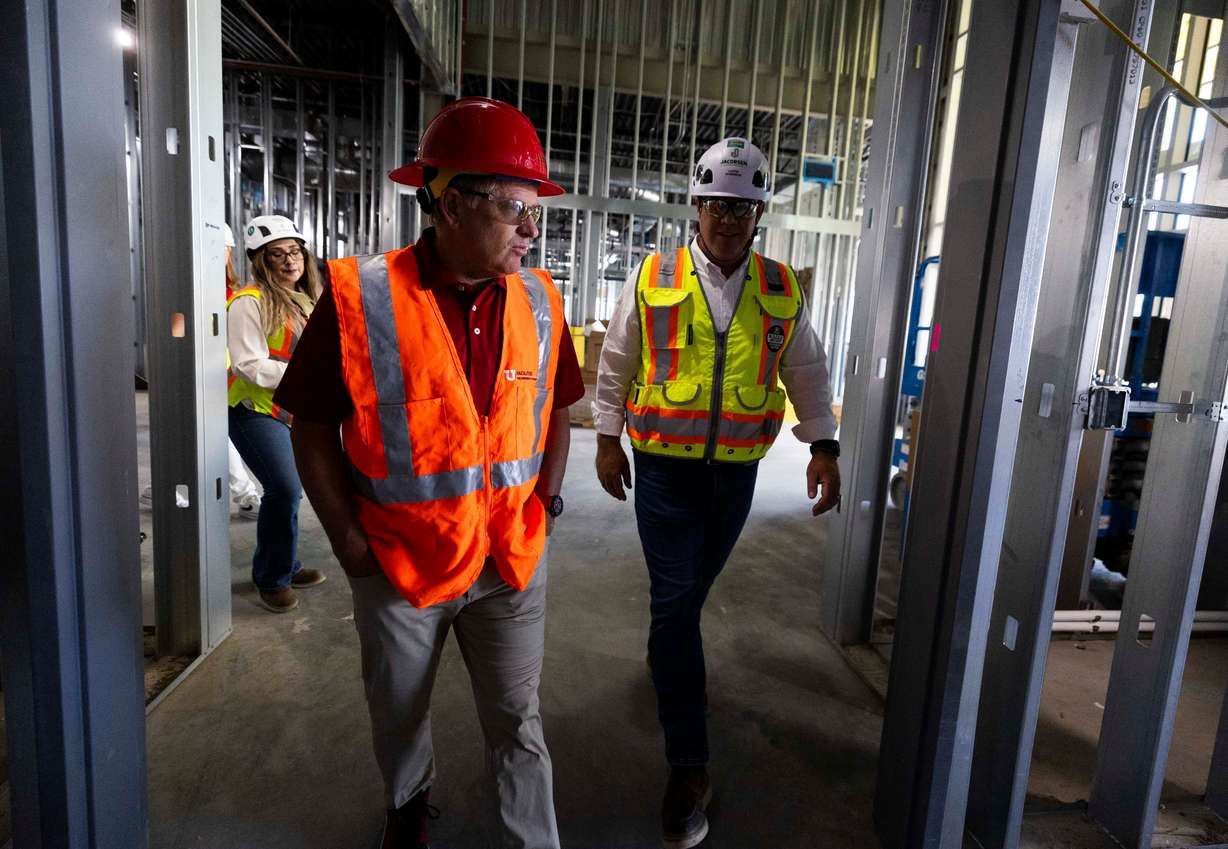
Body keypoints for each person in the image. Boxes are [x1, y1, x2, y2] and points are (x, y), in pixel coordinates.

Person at [274, 97, 583, 849]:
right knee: (399, 708)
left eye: (534, 207)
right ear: (449, 203)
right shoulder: (361, 297)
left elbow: (557, 412)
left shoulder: (541, 301)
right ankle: (408, 804)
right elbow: (311, 425)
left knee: (518, 719)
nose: (532, 228)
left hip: (509, 560)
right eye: (515, 207)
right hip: (400, 560)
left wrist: (543, 502)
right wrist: (348, 542)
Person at [592, 137, 843, 849]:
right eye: (717, 204)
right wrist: (608, 439)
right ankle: (689, 767)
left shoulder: (779, 287)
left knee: (686, 600)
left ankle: (667, 654)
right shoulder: (653, 275)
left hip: (736, 473)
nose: (728, 217)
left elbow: (808, 368)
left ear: (759, 213)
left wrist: (823, 444)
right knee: (675, 605)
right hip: (664, 470)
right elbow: (616, 361)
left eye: (743, 206)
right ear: (696, 207)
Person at [227, 214, 326, 613]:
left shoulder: (307, 299)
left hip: (291, 410)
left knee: (293, 491)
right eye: (277, 254)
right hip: (254, 409)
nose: (289, 261)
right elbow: (248, 364)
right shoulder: (249, 302)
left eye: (295, 252)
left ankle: (285, 563)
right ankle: (271, 578)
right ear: (260, 261)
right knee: (284, 488)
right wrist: (304, 377)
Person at [224, 222, 262, 519]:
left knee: (219, 438)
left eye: (225, 249)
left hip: (228, 378)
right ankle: (246, 494)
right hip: (210, 377)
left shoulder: (233, 293)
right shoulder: (191, 290)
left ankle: (246, 494)